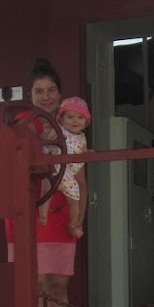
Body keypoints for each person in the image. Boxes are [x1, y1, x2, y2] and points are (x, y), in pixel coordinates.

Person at [8, 59, 80, 307]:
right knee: (34, 286)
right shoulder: (24, 122)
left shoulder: (72, 124)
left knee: (58, 285)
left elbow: (79, 167)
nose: (46, 96)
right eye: (39, 91)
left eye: (51, 90)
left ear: (60, 93)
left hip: (61, 209)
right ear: (29, 95)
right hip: (28, 209)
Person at [55, 96, 90, 239]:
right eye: (70, 117)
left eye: (80, 117)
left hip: (72, 170)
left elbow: (84, 151)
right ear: (62, 119)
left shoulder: (82, 137)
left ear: (86, 121)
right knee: (74, 197)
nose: (75, 121)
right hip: (61, 170)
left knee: (78, 192)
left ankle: (77, 223)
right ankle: (74, 223)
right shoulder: (61, 132)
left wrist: (89, 154)